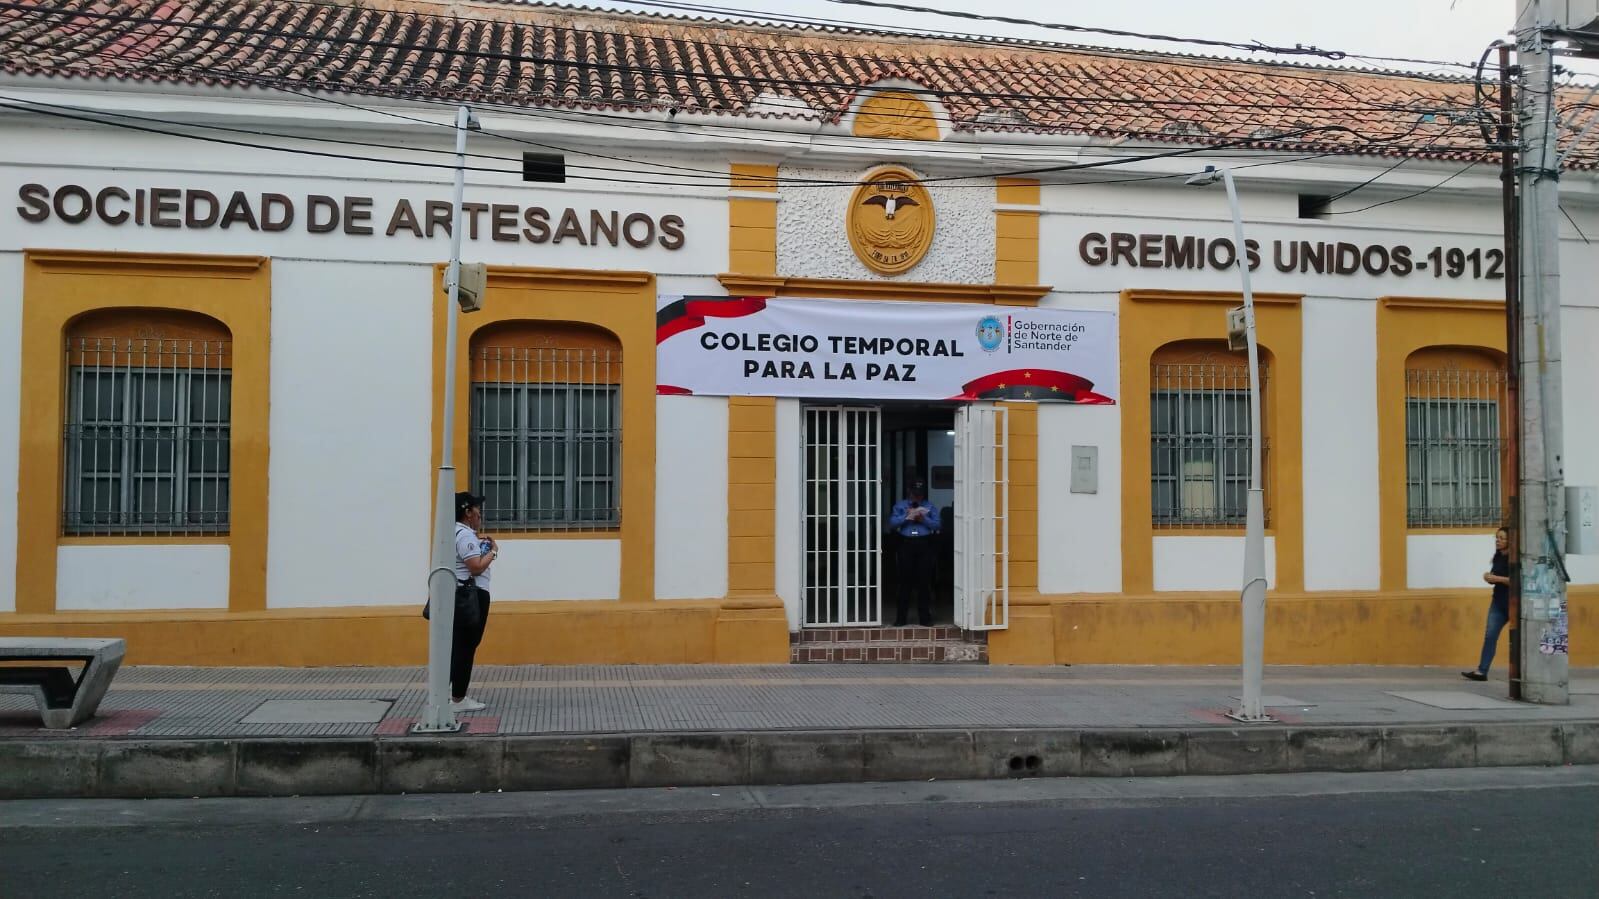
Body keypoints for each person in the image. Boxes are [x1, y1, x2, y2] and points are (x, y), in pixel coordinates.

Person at [450, 491, 498, 712]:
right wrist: (494, 552)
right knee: (466, 647)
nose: (480, 514)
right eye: (477, 510)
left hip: (461, 595)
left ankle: (450, 693)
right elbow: (476, 567)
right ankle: (458, 699)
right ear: (468, 513)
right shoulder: (465, 535)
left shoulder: (454, 533)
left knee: (459, 646)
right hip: (472, 596)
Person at [888, 479, 941, 627]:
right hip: (906, 543)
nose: (917, 498)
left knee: (924, 582)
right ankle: (901, 618)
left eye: (920, 495)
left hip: (924, 543)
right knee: (905, 582)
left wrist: (923, 519)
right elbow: (892, 523)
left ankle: (925, 618)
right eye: (914, 495)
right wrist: (906, 517)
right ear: (909, 492)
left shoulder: (929, 506)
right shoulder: (900, 506)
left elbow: (938, 524)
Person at [1462, 527, 1511, 682]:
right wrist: (1488, 577)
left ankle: (1524, 672)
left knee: (1521, 638)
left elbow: (1517, 580)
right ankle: (1482, 671)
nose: (1498, 541)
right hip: (1498, 602)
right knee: (1490, 636)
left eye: (1502, 538)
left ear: (1511, 541)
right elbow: (1496, 577)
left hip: (1514, 603)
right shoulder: (1498, 557)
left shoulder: (1516, 558)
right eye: (1497, 538)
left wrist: (1498, 579)